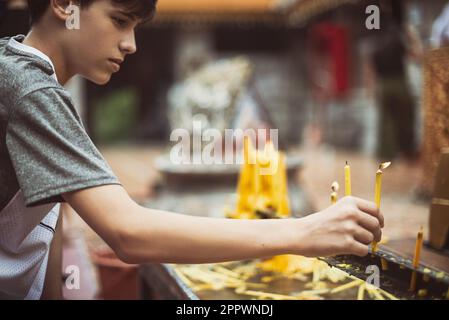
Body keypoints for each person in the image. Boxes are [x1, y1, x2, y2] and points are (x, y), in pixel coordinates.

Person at [0, 0, 384, 299]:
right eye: (120, 20)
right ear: (65, 5)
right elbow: (128, 232)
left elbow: (48, 227)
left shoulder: (18, 72)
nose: (131, 44)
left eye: (135, 28)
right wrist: (303, 231)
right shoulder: (33, 92)